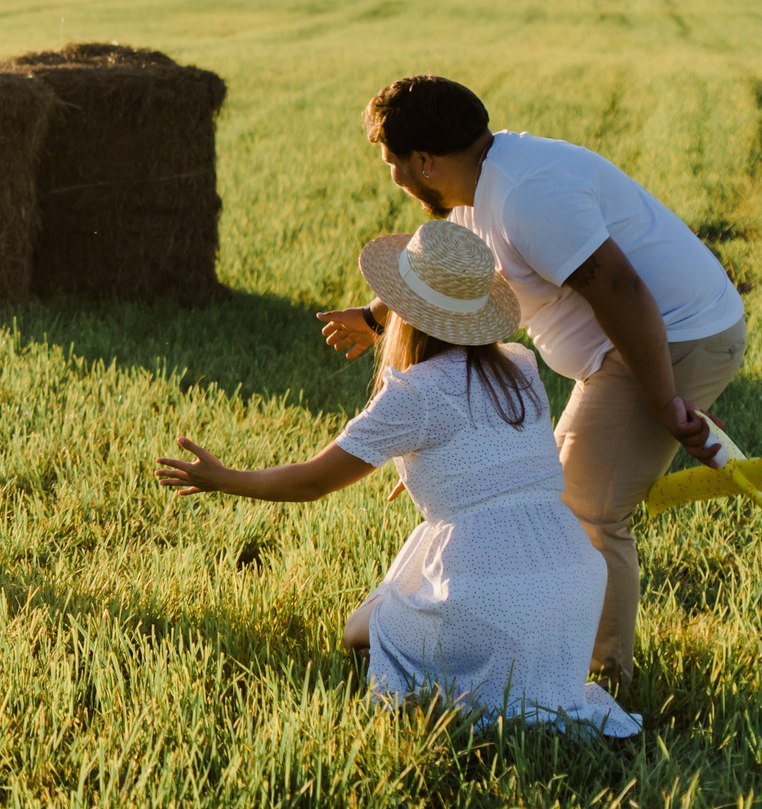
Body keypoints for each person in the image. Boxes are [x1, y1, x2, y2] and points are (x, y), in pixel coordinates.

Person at [316, 76, 747, 685]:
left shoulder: (525, 196)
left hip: (672, 337)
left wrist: (666, 401)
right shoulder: (474, 183)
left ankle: (598, 678)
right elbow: (441, 264)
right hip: (627, 345)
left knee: (592, 511)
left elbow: (623, 292)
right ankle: (552, 652)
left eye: (394, 165)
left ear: (425, 161)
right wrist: (371, 317)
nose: (395, 180)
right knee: (554, 499)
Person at [160, 219, 640, 738]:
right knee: (448, 609)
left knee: (356, 632)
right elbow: (503, 461)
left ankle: (457, 667)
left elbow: (310, 482)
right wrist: (427, 474)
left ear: (405, 312)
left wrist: (225, 478)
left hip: (486, 591)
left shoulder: (413, 394)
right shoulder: (520, 365)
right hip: (572, 587)